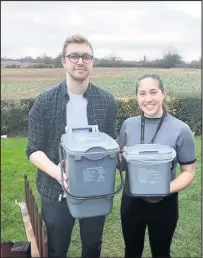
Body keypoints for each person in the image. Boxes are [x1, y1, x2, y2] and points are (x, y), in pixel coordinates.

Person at [26, 35, 118, 258]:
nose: (80, 61)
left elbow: (112, 145)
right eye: (74, 56)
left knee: (93, 245)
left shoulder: (107, 101)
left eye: (86, 56)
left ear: (92, 62)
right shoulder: (45, 102)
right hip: (55, 190)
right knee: (57, 247)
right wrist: (58, 173)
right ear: (63, 61)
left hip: (96, 189)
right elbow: (33, 149)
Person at [119, 73, 196, 258]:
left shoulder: (180, 129)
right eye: (142, 93)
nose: (148, 99)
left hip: (165, 203)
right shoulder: (128, 125)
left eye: (153, 92)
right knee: (131, 251)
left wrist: (164, 188)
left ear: (163, 94)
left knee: (161, 252)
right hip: (131, 201)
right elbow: (120, 164)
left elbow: (188, 171)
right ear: (136, 96)